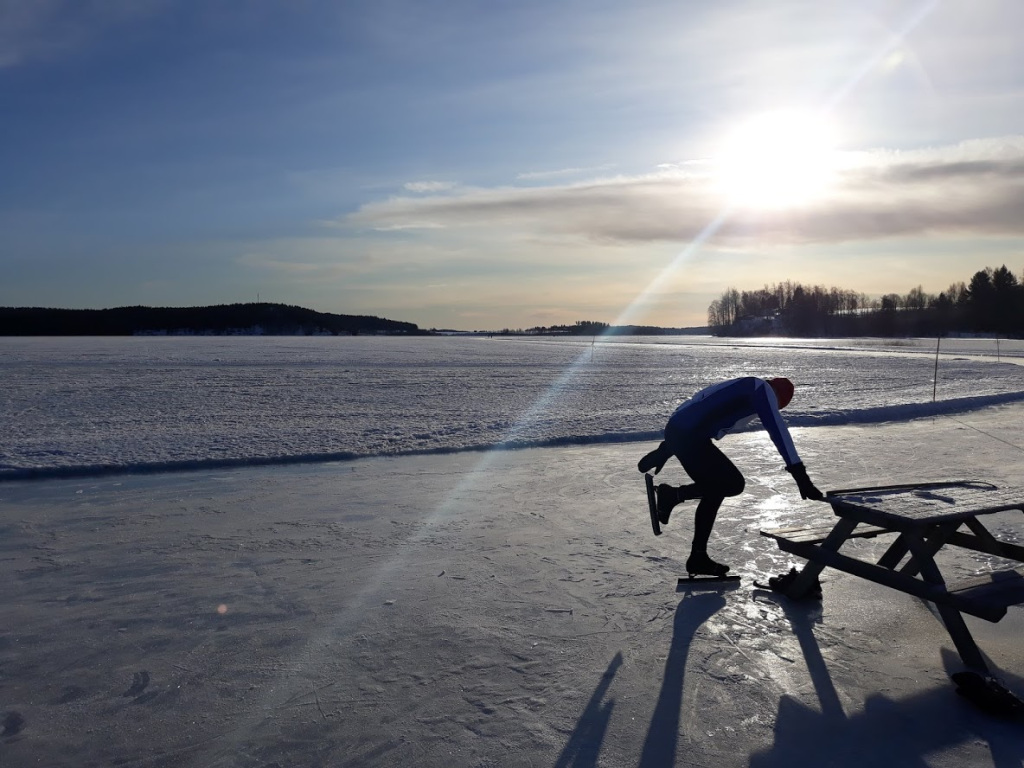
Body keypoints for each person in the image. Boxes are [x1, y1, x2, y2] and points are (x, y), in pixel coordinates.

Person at [637, 376, 824, 577]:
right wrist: (800, 476)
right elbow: (777, 430)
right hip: (688, 436)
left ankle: (681, 514)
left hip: (685, 433)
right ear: (778, 397)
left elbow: (697, 407)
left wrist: (667, 448)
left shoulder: (746, 387)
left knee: (720, 485)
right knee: (730, 483)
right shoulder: (761, 390)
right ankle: (673, 499)